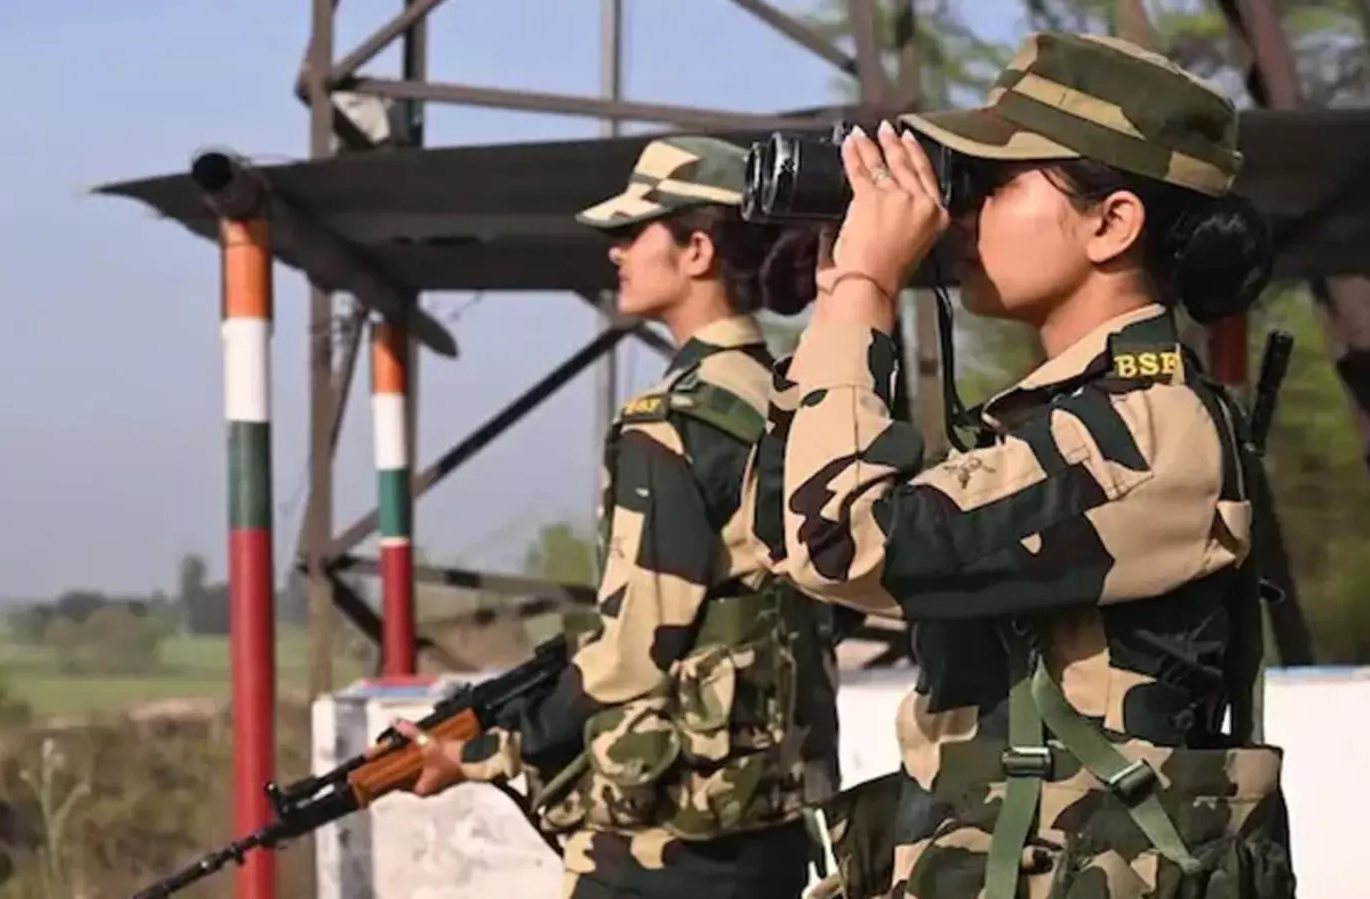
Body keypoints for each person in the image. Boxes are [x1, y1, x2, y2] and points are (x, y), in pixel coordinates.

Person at [745, 32, 1296, 899]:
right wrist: (835, 312)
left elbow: (843, 543)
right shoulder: (1068, 422)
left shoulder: (1147, 433)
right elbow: (784, 535)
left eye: (993, 185)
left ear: (1112, 222)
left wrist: (867, 293)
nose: (959, 216)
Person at [392, 135, 843, 899]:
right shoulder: (801, 399)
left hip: (672, 832)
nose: (617, 254)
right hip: (775, 816)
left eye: (634, 233)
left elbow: (639, 645)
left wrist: (485, 749)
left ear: (697, 249)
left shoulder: (672, 420)